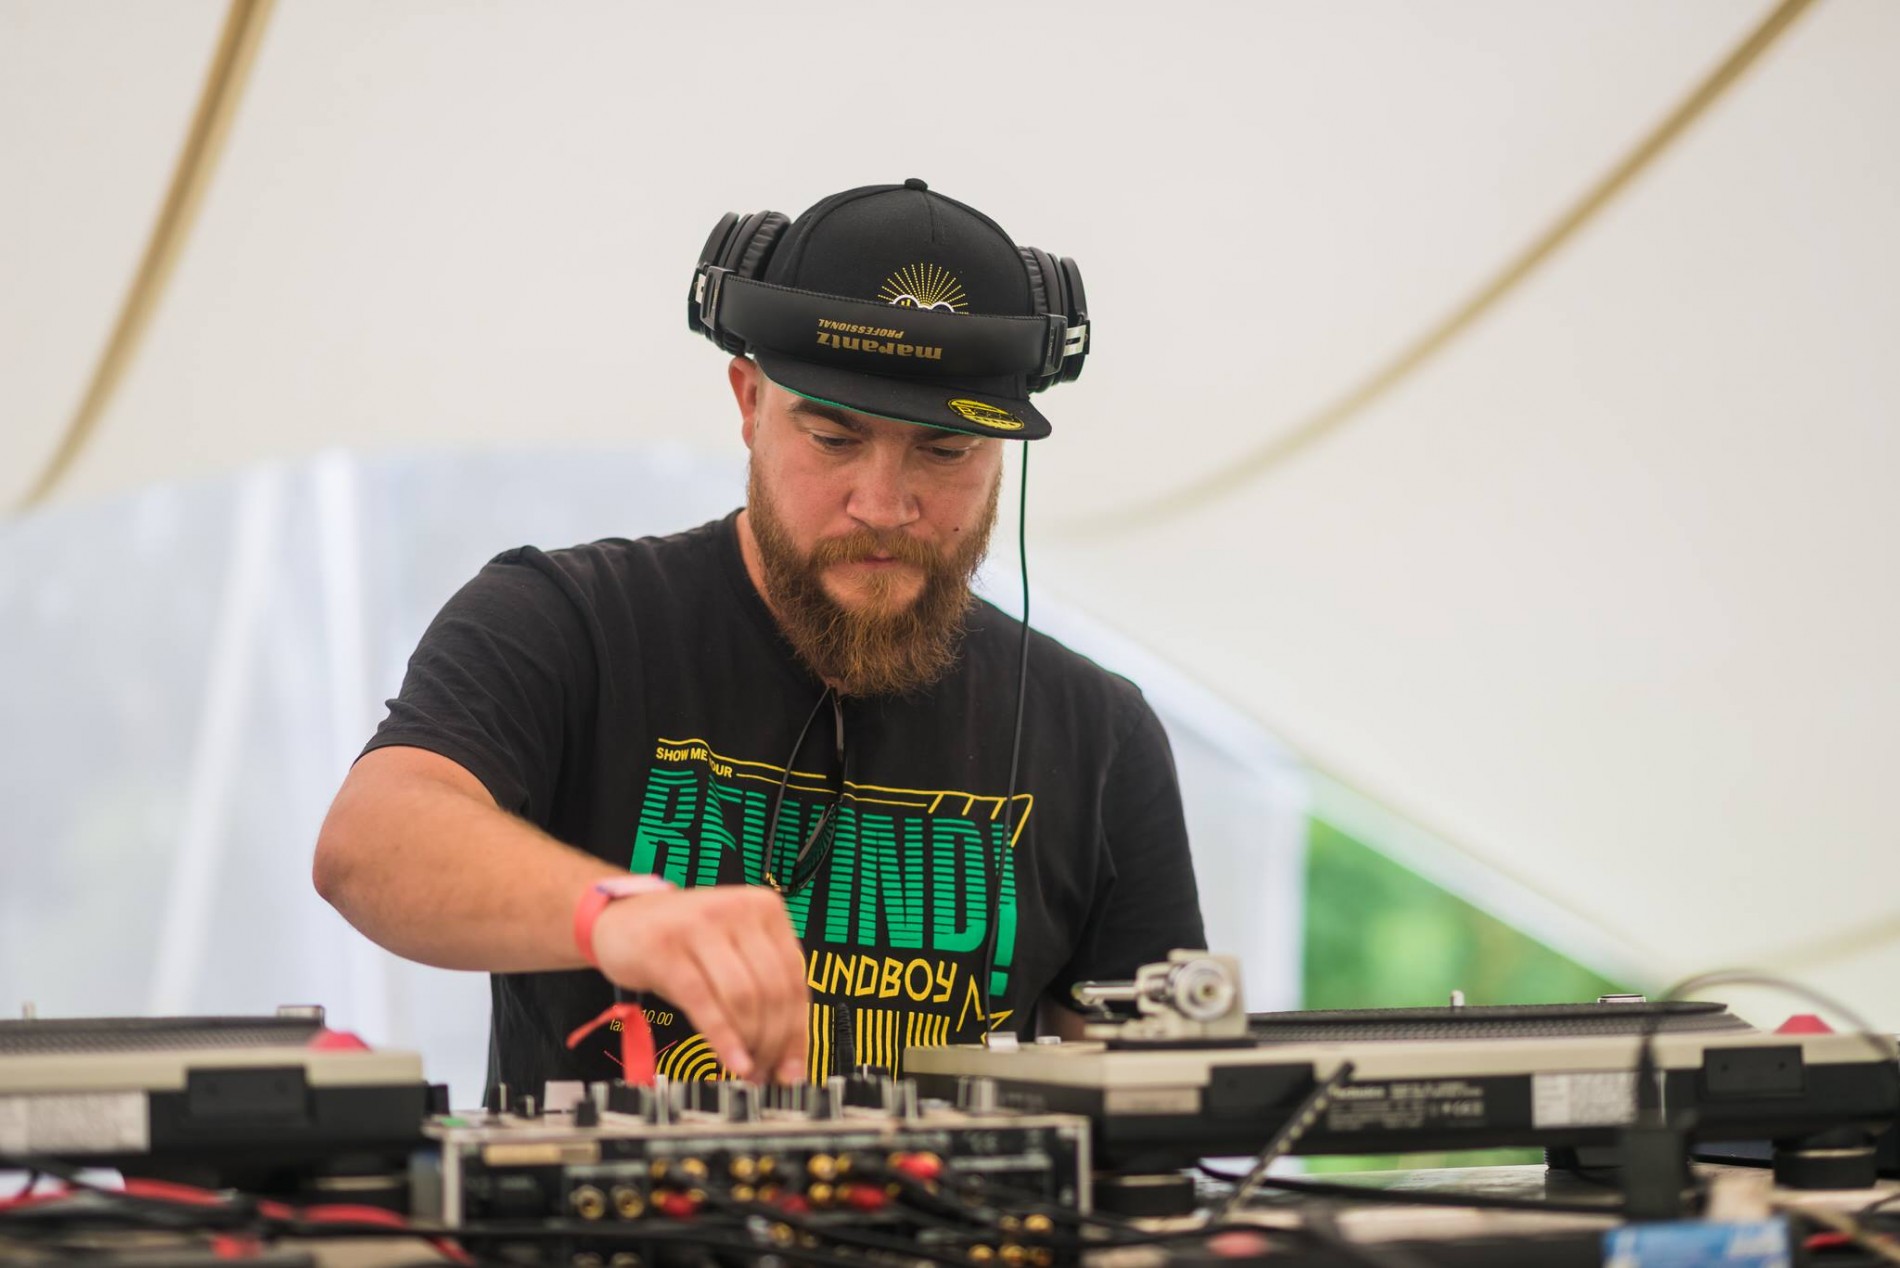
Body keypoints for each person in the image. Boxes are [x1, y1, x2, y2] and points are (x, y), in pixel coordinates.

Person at [313, 179, 1206, 1100]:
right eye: (833, 438)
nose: (883, 505)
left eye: (945, 451)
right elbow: (369, 844)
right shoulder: (564, 620)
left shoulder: (1100, 732)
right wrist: (619, 916)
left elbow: (1156, 1105)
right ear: (748, 403)